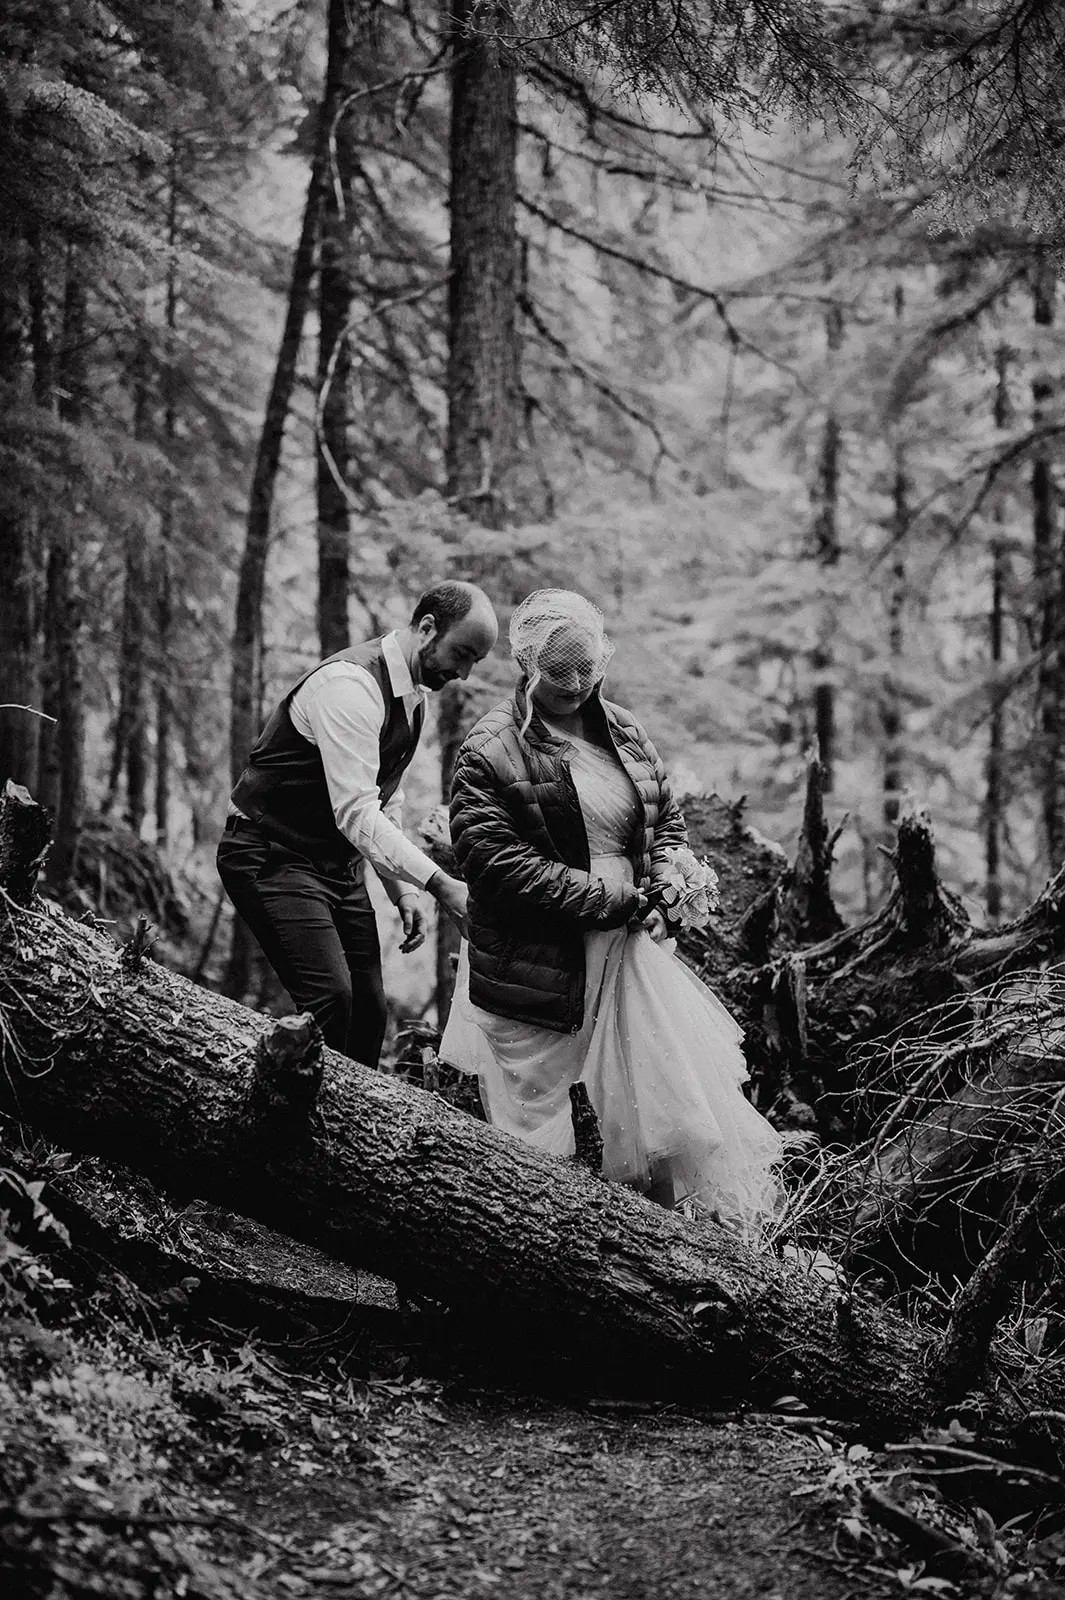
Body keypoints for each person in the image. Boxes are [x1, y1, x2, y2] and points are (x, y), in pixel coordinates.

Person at [439, 588, 782, 1234]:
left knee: (646, 1112)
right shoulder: (489, 749)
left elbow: (664, 822)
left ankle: (654, 1254)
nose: (574, 683)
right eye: (558, 669)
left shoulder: (623, 730)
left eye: (585, 666)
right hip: (541, 963)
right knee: (554, 1126)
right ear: (525, 663)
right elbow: (495, 865)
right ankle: (549, 1255)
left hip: (627, 954)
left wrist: (666, 892)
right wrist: (607, 900)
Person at [218, 580, 498, 1068]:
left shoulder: (413, 696)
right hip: (269, 854)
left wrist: (401, 892)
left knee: (369, 1013)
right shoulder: (350, 685)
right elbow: (356, 812)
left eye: (475, 661)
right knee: (331, 1002)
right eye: (463, 653)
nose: (465, 673)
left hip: (335, 868)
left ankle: (353, 1133)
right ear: (427, 628)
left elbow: (384, 798)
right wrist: (439, 884)